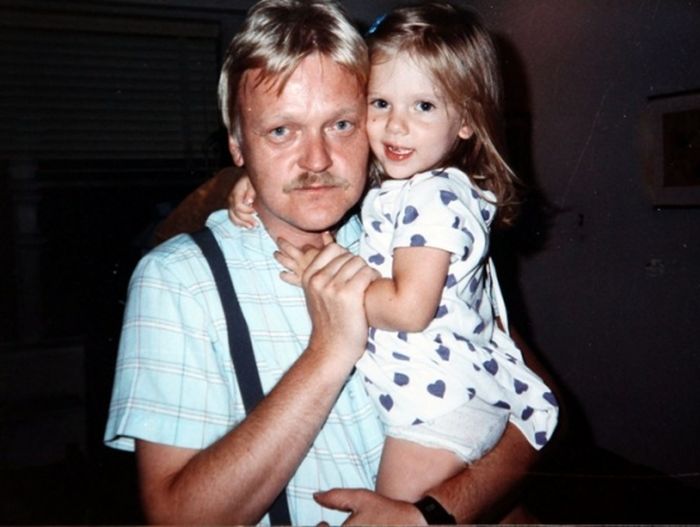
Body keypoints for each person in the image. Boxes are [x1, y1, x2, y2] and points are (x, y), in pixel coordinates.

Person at [105, 0, 556, 524]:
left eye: (341, 124)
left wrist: (428, 517)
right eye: (281, 131)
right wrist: (328, 353)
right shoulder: (178, 280)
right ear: (237, 144)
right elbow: (179, 519)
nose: (316, 160)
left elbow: (534, 406)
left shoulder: (401, 233)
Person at [228, 1, 559, 505]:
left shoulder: (434, 198)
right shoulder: (406, 187)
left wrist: (327, 279)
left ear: (466, 120)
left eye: (423, 106)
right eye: (380, 103)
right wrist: (251, 181)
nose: (397, 126)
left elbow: (409, 309)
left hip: (436, 408)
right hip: (440, 397)